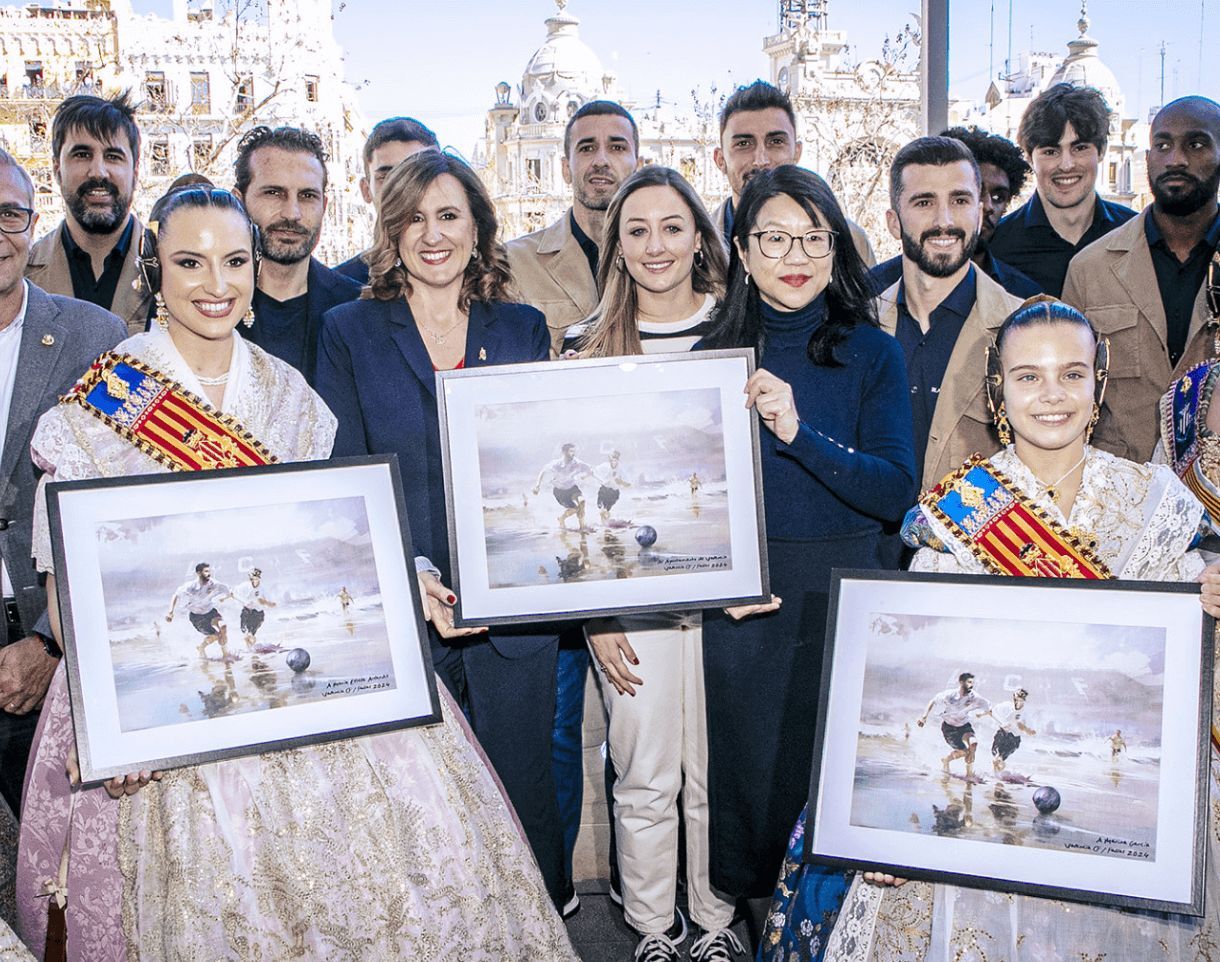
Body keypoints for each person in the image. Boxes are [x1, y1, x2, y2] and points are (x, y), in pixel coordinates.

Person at [15, 186, 575, 960]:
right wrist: (107, 723)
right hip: (164, 712)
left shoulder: (290, 398)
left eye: (234, 261)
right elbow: (67, 583)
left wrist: (406, 575)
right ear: (154, 271)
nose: (216, 283)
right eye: (190, 262)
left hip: (300, 694)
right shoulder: (102, 402)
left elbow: (338, 531)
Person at [808, 297, 1220, 962]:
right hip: (981, 869)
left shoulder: (1157, 505)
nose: (1052, 395)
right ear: (998, 390)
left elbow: (1193, 669)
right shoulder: (956, 513)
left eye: (1072, 374)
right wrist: (884, 837)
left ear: (1099, 384)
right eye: (1028, 376)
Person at [315, 151, 572, 912]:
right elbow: (346, 477)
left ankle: (539, 931)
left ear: (478, 228)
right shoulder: (348, 330)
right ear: (391, 232)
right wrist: (411, 572)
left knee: (522, 793)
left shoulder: (523, 329)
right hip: (405, 611)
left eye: (449, 215)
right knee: (420, 812)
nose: (433, 235)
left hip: (515, 615)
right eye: (414, 218)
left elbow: (542, 462)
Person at [697, 164, 917, 949]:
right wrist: (714, 583)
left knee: (843, 804)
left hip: (847, 602)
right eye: (775, 238)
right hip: (749, 609)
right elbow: (691, 503)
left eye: (813, 237)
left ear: (837, 246)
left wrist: (798, 434)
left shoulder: (874, 353)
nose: (796, 255)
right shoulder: (709, 359)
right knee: (756, 806)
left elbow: (894, 491)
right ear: (741, 250)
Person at [566, 165, 735, 961]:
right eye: (637, 230)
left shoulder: (742, 332)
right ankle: (652, 928)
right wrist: (594, 612)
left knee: (714, 770)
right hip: (628, 593)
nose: (656, 245)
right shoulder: (584, 347)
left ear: (700, 236)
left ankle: (714, 921)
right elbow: (566, 501)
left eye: (672, 227)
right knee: (644, 768)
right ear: (617, 246)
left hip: (730, 594)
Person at [0, 149, 126, 820]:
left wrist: (53, 642)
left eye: (9, 214)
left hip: (48, 652)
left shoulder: (97, 338)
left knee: (58, 865)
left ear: (32, 221)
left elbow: (120, 510)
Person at [1062, 96, 1220, 462]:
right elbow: (1067, 393)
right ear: (1147, 158)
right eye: (1163, 145)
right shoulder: (1091, 268)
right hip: (1117, 485)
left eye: (1196, 144)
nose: (1176, 159)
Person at [875, 136, 1022, 491]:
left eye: (959, 200)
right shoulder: (858, 326)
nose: (944, 220)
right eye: (924, 202)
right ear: (893, 222)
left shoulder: (1022, 328)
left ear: (979, 213)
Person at [507, 100, 641, 354]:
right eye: (587, 148)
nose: (601, 160)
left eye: (617, 147)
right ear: (566, 169)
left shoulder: (665, 261)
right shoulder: (515, 264)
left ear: (639, 166)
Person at [232, 125, 362, 384]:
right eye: (274, 193)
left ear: (324, 206)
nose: (292, 213)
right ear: (238, 201)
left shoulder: (357, 308)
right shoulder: (211, 304)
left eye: (307, 196)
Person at [988, 83, 1135, 297]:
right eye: (1051, 151)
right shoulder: (997, 248)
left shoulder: (1135, 236)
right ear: (1029, 157)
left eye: (1080, 148)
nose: (1066, 165)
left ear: (1102, 150)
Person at [711, 81, 875, 272]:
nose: (761, 160)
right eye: (744, 144)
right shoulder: (696, 247)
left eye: (775, 142)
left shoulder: (850, 240)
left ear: (797, 152)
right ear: (720, 159)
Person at [24, 92, 151, 335]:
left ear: (135, 171)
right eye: (82, 155)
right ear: (57, 168)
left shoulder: (172, 269)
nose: (98, 172)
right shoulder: (21, 276)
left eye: (113, 156)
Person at [870, 126, 1041, 297]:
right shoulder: (871, 290)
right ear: (894, 222)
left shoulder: (1024, 295)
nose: (988, 206)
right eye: (961, 199)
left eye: (998, 197)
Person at [335, 116, 440, 284]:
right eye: (388, 177)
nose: (403, 187)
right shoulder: (338, 289)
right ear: (366, 190)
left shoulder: (480, 282)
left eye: (419, 174)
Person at [916, 672, 990, 779]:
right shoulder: (950, 694)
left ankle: (969, 775)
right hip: (949, 728)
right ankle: (946, 760)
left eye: (972, 683)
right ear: (961, 682)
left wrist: (983, 714)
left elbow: (989, 708)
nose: (972, 685)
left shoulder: (974, 697)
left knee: (973, 744)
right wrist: (924, 717)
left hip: (964, 726)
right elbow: (933, 701)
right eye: (969, 682)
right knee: (964, 752)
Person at [165, 562, 231, 659]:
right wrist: (170, 612)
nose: (209, 574)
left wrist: (224, 598)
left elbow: (229, 592)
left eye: (209, 571)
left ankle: (225, 654)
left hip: (211, 612)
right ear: (199, 573)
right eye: (206, 571)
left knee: (223, 627)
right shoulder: (191, 586)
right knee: (215, 636)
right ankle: (201, 648)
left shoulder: (215, 584)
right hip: (197, 617)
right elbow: (176, 595)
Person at [533, 443, 594, 532]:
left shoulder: (577, 463)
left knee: (582, 502)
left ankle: (582, 526)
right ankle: (561, 519)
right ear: (564, 452)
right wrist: (537, 486)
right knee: (574, 509)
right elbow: (543, 472)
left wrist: (585, 476)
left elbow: (590, 470)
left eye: (574, 451)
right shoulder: (556, 464)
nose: (573, 453)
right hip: (560, 491)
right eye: (571, 451)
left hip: (572, 488)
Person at [987, 687, 1034, 773]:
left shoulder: (1025, 713)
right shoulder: (1006, 705)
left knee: (999, 759)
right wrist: (1002, 722)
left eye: (1020, 699)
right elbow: (991, 712)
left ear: (1024, 700)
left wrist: (1025, 729)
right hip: (1002, 734)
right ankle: (995, 774)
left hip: (1014, 739)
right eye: (1016, 698)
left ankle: (999, 774)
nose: (1017, 702)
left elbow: (1031, 731)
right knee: (995, 757)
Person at [229, 568, 276, 647]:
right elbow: (233, 594)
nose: (255, 580)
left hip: (258, 614)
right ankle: (250, 648)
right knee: (245, 633)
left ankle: (252, 647)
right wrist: (244, 601)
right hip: (246, 612)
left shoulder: (263, 589)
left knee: (250, 634)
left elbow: (272, 603)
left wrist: (265, 602)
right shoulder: (244, 586)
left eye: (257, 577)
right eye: (253, 577)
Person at [593, 450, 630, 525]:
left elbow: (628, 484)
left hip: (614, 493)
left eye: (615, 459)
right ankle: (604, 524)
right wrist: (586, 476)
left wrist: (621, 482)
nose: (613, 462)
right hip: (604, 490)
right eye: (611, 459)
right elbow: (593, 470)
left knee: (605, 510)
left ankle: (606, 522)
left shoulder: (621, 469)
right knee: (601, 509)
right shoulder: (605, 466)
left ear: (617, 460)